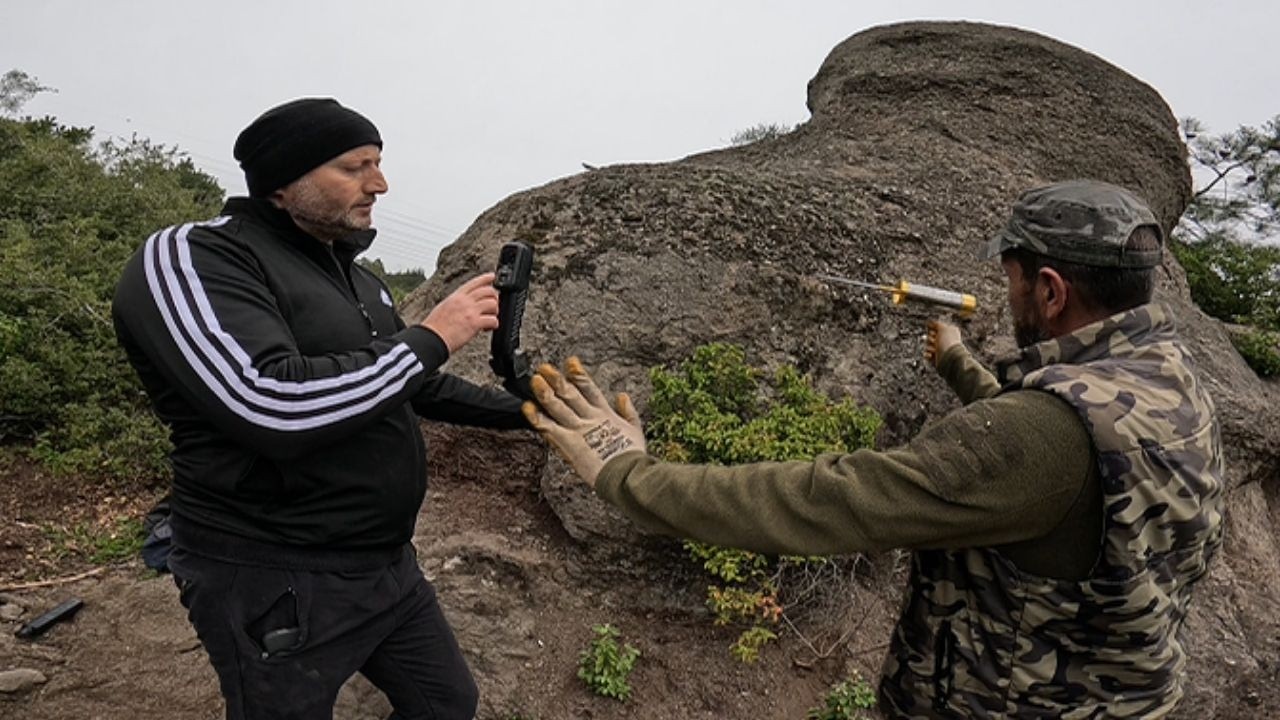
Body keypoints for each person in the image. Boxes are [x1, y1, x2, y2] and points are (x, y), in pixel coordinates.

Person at [523, 180, 1224, 719]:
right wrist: (959, 365)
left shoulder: (1037, 436)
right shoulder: (1170, 380)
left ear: (1049, 288)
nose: (1005, 295)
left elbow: (832, 500)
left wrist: (627, 473)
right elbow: (1051, 465)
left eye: (1010, 278)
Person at [112, 98, 527, 720]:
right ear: (285, 182)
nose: (379, 184)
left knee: (447, 704)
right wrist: (433, 336)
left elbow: (403, 385)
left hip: (384, 564)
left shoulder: (358, 279)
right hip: (269, 571)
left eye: (379, 163)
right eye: (355, 167)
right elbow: (270, 403)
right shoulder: (196, 257)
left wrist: (529, 413)